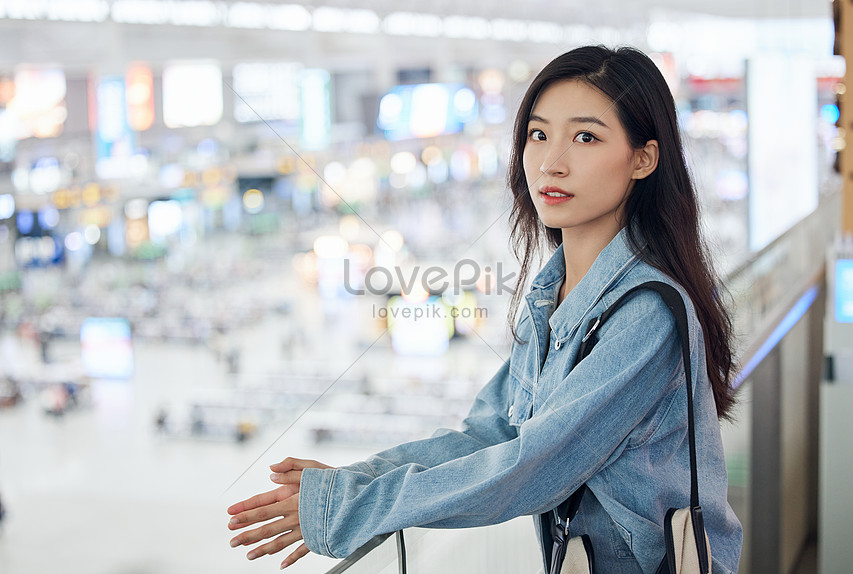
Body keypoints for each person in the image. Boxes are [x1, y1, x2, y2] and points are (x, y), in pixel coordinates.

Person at [227, 45, 743, 573]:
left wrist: (350, 508)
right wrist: (351, 483)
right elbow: (490, 434)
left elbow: (528, 468)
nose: (551, 162)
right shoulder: (554, 295)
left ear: (643, 159)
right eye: (538, 135)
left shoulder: (645, 315)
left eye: (585, 137)